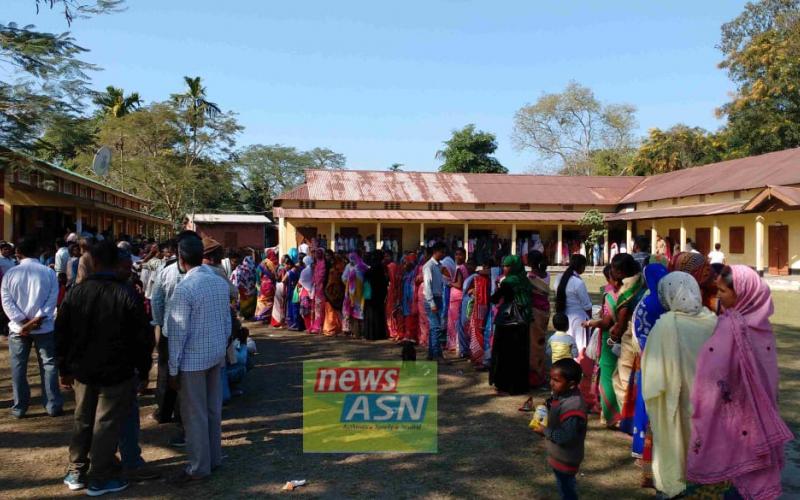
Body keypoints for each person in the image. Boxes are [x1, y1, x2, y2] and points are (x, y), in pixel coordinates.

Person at [687, 265, 793, 499]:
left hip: (735, 422)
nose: (719, 297)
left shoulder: (731, 328)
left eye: (723, 291)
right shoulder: (761, 327)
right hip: (754, 424)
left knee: (736, 483)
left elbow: (712, 376)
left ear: (743, 293)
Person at [56, 240, 153, 495]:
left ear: (94, 263)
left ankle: (76, 469)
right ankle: (100, 475)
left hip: (83, 370)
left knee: (83, 419)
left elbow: (61, 333)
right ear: (116, 263)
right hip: (117, 371)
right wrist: (143, 371)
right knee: (106, 422)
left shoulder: (76, 292)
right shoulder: (127, 293)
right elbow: (142, 337)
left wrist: (63, 368)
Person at [640, 272, 717, 498]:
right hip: (709, 406)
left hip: (677, 403)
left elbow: (653, 377)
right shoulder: (712, 320)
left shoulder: (665, 327)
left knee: (675, 450)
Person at [166, 234, 232, 481]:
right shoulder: (218, 282)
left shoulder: (185, 289)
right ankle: (213, 459)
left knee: (195, 415)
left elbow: (177, 334)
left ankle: (198, 466)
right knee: (213, 411)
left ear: (180, 259)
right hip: (215, 354)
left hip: (193, 361)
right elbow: (227, 321)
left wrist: (173, 370)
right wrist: (223, 346)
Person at [1, 236, 62, 418]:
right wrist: (36, 319)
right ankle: (52, 405)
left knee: (18, 366)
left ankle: (20, 407)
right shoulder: (48, 272)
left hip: (18, 328)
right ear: (38, 252)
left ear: (17, 253)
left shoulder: (11, 274)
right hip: (43, 326)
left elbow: (6, 301)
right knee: (49, 364)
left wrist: (22, 321)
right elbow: (52, 300)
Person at [629, 263, 668, 487]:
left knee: (647, 402)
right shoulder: (666, 301)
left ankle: (641, 446)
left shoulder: (648, 301)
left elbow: (640, 332)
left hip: (649, 359)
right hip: (663, 359)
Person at [532, 358, 588, 500]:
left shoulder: (574, 405)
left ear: (571, 384)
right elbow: (555, 403)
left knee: (567, 490)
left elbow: (565, 436)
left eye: (556, 380)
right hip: (559, 456)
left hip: (567, 459)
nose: (551, 383)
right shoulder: (563, 394)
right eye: (551, 378)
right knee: (563, 486)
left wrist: (544, 431)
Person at [607, 253, 645, 435]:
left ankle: (628, 418)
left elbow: (621, 322)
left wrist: (612, 336)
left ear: (620, 271)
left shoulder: (627, 289)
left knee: (623, 379)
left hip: (630, 336)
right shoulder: (641, 280)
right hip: (643, 334)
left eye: (614, 269)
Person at [489, 255, 532, 396]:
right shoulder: (525, 280)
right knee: (520, 354)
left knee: (506, 355)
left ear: (513, 267)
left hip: (508, 323)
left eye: (507, 266)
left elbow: (494, 299)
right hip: (523, 322)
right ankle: (519, 386)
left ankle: (505, 386)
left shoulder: (508, 282)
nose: (505, 268)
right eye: (504, 265)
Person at [554, 254, 592, 353]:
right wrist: (590, 321)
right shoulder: (578, 283)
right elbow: (587, 306)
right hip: (578, 320)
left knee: (565, 347)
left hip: (563, 317)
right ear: (581, 266)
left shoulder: (559, 278)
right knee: (579, 349)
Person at [527, 250, 551, 387]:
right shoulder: (546, 275)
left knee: (534, 344)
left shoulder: (530, 277)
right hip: (545, 311)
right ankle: (540, 371)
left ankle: (535, 375)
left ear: (530, 262)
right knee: (540, 341)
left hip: (535, 311)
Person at [422, 243, 446, 361]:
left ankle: (432, 354)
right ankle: (437, 354)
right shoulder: (429, 266)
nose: (443, 254)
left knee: (434, 328)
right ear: (436, 252)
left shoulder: (439, 266)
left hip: (438, 297)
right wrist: (431, 303)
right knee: (436, 327)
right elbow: (427, 286)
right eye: (442, 252)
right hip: (431, 299)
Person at [446, 248, 468, 354]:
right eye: (456, 254)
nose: (457, 257)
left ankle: (455, 345)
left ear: (464, 255)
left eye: (460, 255)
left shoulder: (461, 268)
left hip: (457, 298)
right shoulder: (463, 267)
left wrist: (450, 283)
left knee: (455, 323)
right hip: (458, 297)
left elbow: (459, 285)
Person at [363, 251, 388, 341]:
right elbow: (383, 282)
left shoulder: (368, 268)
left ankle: (369, 334)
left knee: (370, 314)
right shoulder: (379, 268)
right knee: (377, 314)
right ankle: (378, 334)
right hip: (377, 294)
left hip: (369, 294)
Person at [231, 250, 257, 320]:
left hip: (241, 291)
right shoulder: (253, 270)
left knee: (240, 302)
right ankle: (249, 315)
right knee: (249, 304)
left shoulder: (238, 270)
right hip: (251, 292)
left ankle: (240, 314)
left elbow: (234, 280)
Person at [323, 254, 345, 336]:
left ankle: (333, 328)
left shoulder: (336, 271)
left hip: (335, 291)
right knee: (332, 312)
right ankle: (332, 328)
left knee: (333, 312)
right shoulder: (334, 271)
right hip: (333, 291)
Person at [253, 249, 278, 322]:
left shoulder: (263, 263)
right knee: (270, 301)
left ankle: (261, 316)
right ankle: (268, 317)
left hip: (264, 285)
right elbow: (275, 275)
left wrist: (260, 282)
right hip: (271, 285)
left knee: (262, 301)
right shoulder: (275, 263)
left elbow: (259, 274)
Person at [384, 250, 404, 341]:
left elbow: (393, 280)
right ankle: (392, 330)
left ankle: (392, 331)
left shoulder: (391, 266)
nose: (385, 258)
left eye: (387, 256)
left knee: (392, 312)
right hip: (393, 291)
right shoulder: (394, 266)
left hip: (393, 291)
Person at [309, 248, 328, 334]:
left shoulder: (323, 264)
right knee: (316, 308)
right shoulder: (317, 264)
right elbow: (314, 276)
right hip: (316, 288)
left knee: (320, 308)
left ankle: (320, 326)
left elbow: (321, 276)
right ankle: (315, 326)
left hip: (320, 288)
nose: (316, 255)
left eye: (317, 254)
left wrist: (317, 283)